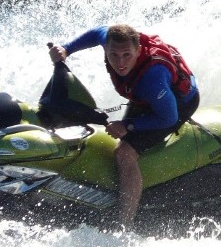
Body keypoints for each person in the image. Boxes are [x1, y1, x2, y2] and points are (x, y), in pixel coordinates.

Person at [48, 24, 199, 229]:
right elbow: (96, 33)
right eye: (114, 55)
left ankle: (123, 224)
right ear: (107, 48)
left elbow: (168, 118)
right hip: (149, 100)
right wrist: (66, 49)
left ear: (138, 50)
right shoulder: (110, 40)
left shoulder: (152, 79)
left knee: (124, 153)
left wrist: (128, 125)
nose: (120, 62)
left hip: (176, 105)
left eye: (127, 55)